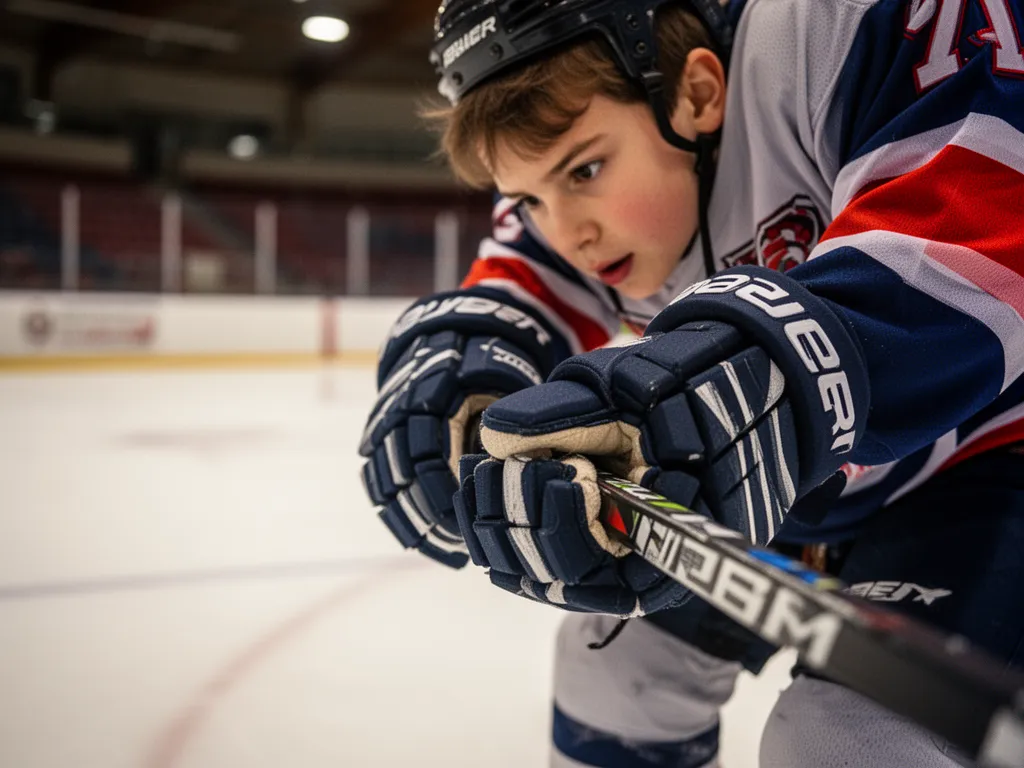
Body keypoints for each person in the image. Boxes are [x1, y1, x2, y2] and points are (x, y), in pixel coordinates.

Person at [359, 0, 1024, 765]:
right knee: (612, 673)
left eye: (584, 169)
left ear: (698, 93)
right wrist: (453, 378)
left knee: (847, 739)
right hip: (806, 487)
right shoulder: (591, 204)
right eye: (529, 197)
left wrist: (770, 375)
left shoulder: (828, 28)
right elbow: (514, 290)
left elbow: (984, 207)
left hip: (988, 459)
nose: (567, 231)